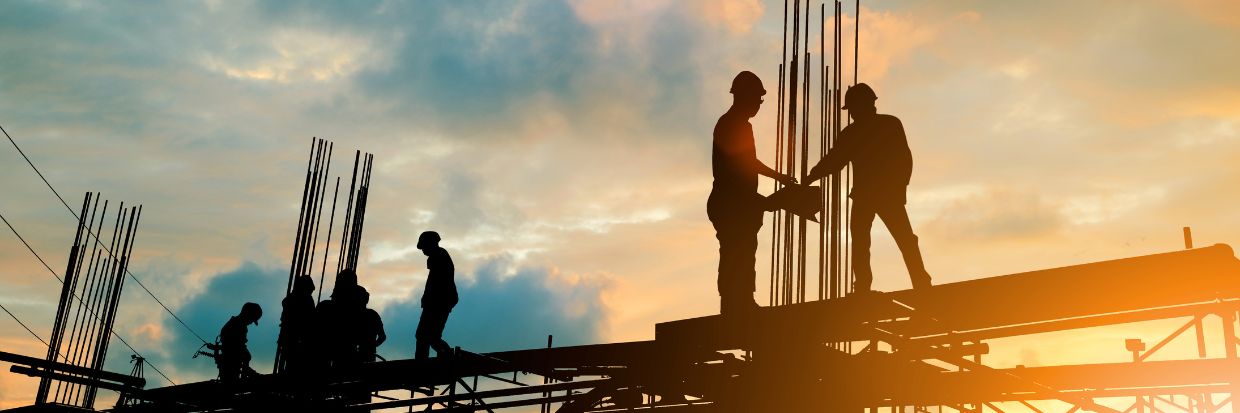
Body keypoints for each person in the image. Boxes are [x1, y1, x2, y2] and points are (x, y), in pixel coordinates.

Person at [804, 83, 932, 293]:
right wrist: (812, 175)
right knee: (865, 241)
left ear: (865, 105)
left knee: (899, 240)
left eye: (853, 108)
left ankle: (919, 282)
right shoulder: (858, 131)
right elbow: (835, 160)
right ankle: (867, 285)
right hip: (869, 195)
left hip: (884, 194)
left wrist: (900, 189)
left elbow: (903, 159)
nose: (852, 113)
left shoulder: (887, 125)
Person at [709, 71, 797, 314]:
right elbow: (745, 164)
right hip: (731, 204)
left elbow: (747, 163)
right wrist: (776, 183)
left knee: (744, 251)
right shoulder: (732, 125)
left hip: (737, 202)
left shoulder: (737, 124)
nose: (759, 104)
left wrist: (770, 188)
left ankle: (741, 302)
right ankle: (734, 305)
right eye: (758, 98)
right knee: (736, 252)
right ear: (745, 97)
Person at [414, 231, 457, 359]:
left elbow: (436, 283)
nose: (423, 250)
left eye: (424, 247)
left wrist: (428, 299)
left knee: (425, 336)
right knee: (429, 337)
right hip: (439, 301)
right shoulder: (439, 256)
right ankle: (445, 358)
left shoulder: (438, 256)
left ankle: (425, 364)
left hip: (438, 302)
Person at [277, 275, 315, 373]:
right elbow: (308, 322)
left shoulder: (290, 300)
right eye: (310, 290)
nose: (311, 292)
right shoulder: (303, 300)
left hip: (290, 340)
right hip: (297, 341)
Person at [217, 302, 261, 384]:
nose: (251, 323)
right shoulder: (237, 327)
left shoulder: (237, 325)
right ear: (248, 315)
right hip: (230, 368)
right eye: (252, 319)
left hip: (232, 367)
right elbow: (238, 351)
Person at [356, 287, 386, 362]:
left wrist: (370, 347)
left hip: (366, 356)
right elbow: (382, 337)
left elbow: (382, 337)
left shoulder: (372, 315)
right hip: (367, 355)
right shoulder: (373, 314)